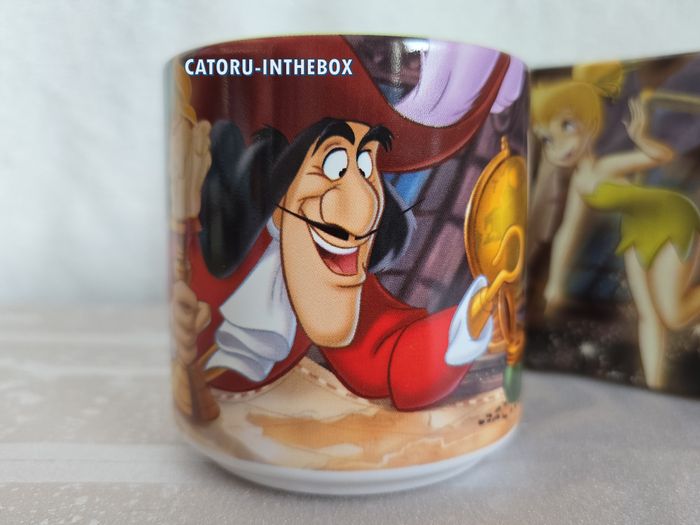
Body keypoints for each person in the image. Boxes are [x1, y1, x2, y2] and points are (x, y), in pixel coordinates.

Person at [170, 36, 526, 417]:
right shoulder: (203, 263)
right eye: (335, 165)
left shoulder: (342, 281)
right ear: (278, 191)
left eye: (367, 164)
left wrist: (470, 320)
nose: (367, 205)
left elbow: (392, 352)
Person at [532, 62, 700, 388]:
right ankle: (654, 384)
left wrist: (641, 137)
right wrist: (555, 284)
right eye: (547, 139)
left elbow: (661, 157)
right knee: (648, 314)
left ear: (591, 123)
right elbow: (568, 230)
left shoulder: (605, 167)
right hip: (636, 230)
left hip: (670, 216)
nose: (559, 145)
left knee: (674, 314)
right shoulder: (582, 180)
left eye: (567, 126)